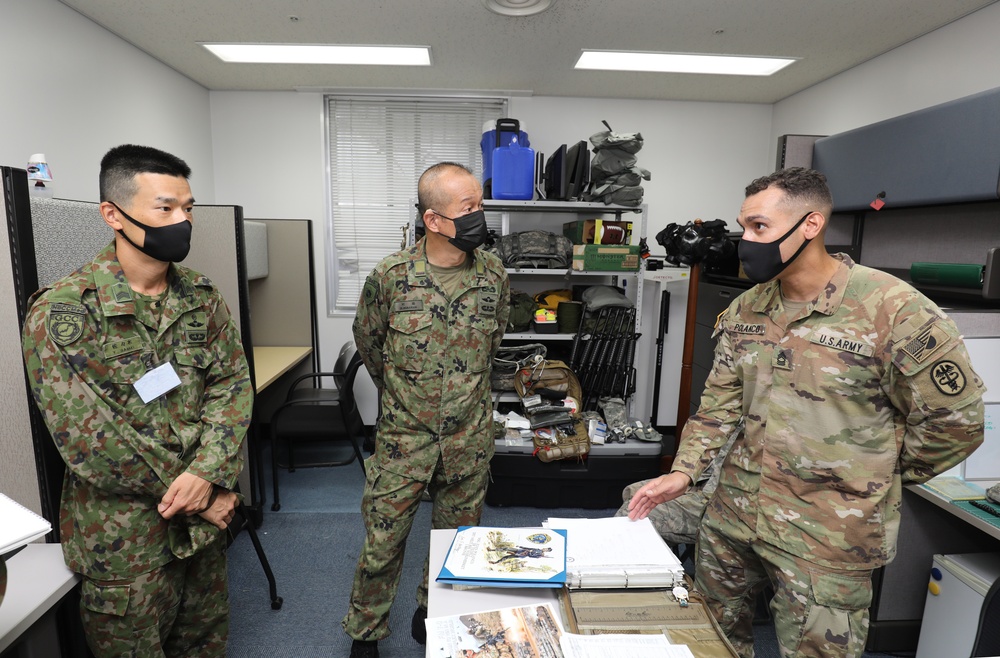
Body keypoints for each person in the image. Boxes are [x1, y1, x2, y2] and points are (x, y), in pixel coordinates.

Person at [628, 167, 985, 657]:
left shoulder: (894, 310)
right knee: (708, 641)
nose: (745, 241)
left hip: (829, 532)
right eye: (744, 226)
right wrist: (685, 472)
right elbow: (718, 407)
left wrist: (871, 473)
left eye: (759, 227)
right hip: (734, 512)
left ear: (811, 226)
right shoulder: (747, 309)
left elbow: (956, 425)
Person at [21, 144, 253, 657]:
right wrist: (206, 497)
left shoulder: (200, 295)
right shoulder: (64, 312)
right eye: (165, 208)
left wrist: (210, 474)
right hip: (126, 543)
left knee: (205, 646)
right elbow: (90, 441)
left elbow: (232, 386)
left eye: (188, 208)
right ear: (113, 215)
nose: (183, 221)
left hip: (201, 535)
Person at [343, 162, 510, 658]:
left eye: (481, 204)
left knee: (457, 541)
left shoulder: (494, 275)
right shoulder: (390, 278)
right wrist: (405, 397)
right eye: (470, 208)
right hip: (403, 440)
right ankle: (365, 634)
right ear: (434, 220)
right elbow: (370, 344)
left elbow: (495, 339)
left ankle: (430, 609)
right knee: (383, 544)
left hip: (468, 436)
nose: (482, 216)